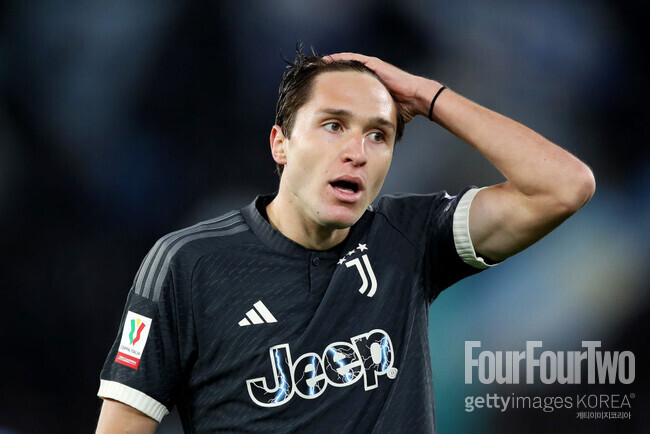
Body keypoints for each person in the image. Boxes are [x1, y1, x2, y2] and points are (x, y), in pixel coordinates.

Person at [96, 49, 595, 433]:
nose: (357, 151)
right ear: (281, 143)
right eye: (334, 125)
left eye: (378, 135)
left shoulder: (410, 237)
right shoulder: (190, 263)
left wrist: (427, 97)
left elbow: (564, 186)